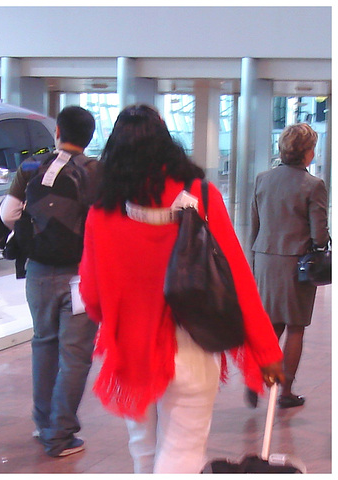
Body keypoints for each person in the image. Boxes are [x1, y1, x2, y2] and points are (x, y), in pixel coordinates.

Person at [78, 104, 284, 473]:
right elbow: (237, 279)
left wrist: (122, 317)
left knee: (143, 451)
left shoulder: (102, 211)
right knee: (183, 453)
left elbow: (92, 296)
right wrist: (265, 350)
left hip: (131, 349)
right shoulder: (202, 197)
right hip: (192, 342)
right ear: (166, 145)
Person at [0, 106, 101, 458]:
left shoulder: (31, 166)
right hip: (82, 275)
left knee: (43, 343)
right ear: (89, 137)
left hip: (39, 271)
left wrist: (37, 238)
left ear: (58, 131)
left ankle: (43, 424)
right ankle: (59, 435)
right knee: (75, 355)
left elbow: (8, 214)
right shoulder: (98, 172)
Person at [248, 123, 330, 409]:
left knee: (271, 324)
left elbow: (255, 226)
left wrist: (253, 261)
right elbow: (318, 234)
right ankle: (284, 392)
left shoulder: (262, 179)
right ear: (307, 153)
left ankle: (255, 376)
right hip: (297, 264)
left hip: (266, 260)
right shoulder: (313, 185)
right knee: (295, 327)